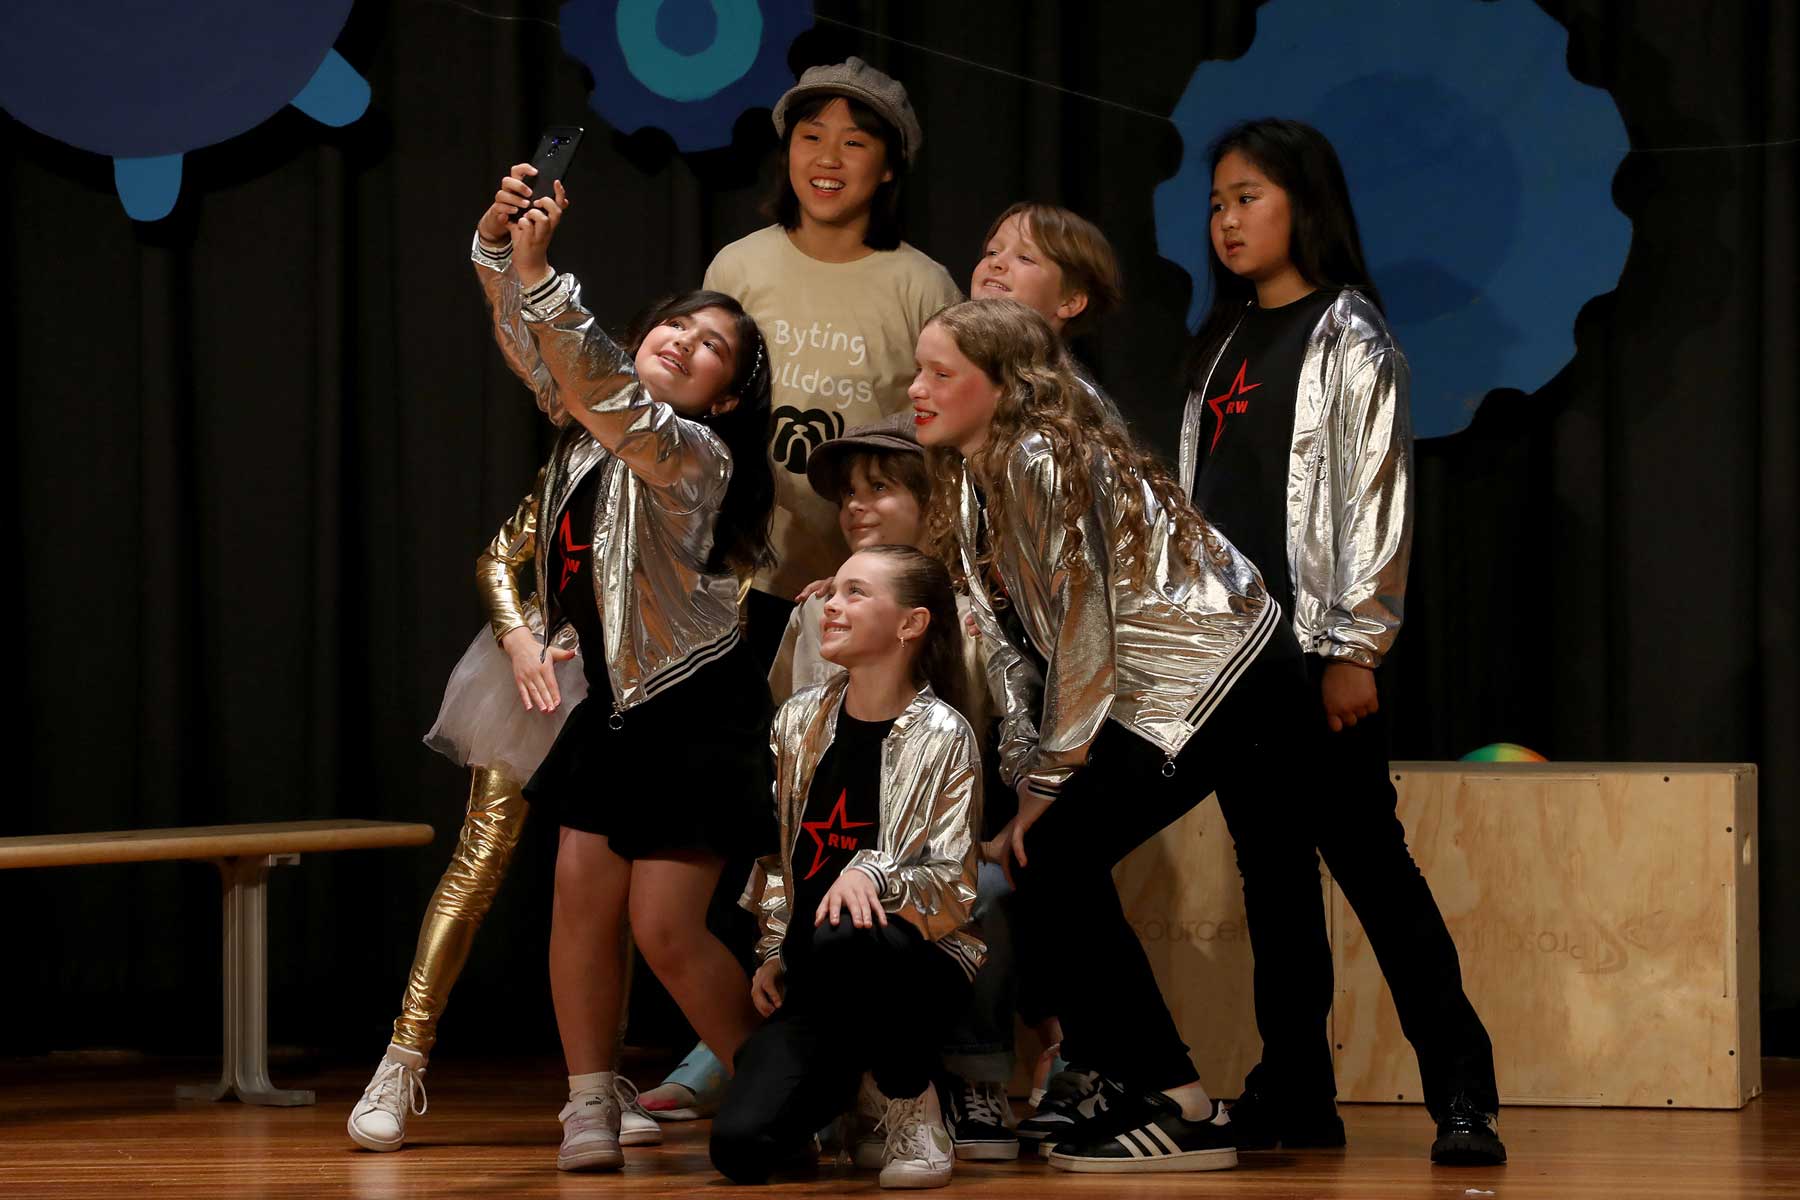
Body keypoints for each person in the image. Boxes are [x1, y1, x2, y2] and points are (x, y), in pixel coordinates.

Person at [914, 298, 1335, 1174]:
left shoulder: (1038, 458)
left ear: (1003, 385)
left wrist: (1050, 783)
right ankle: (1117, 1074)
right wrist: (1031, 766)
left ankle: (1177, 1102)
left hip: (1220, 675)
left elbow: (1082, 623)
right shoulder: (966, 474)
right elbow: (1002, 643)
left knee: (1060, 852)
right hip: (1141, 686)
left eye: (941, 373)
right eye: (918, 370)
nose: (916, 390)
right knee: (1045, 857)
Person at [1175, 117, 1503, 1165]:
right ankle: (1298, 1090)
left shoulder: (1351, 336)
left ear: (1303, 204)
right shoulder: (1221, 339)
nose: (1228, 219)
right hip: (1232, 666)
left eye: (1249, 197)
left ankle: (1462, 1090)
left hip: (1313, 662)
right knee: (1271, 884)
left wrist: (1354, 647)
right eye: (1218, 200)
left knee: (1375, 874)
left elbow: (1372, 499)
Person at [468, 162, 779, 1172]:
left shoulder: (694, 453)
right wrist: (499, 250)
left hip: (694, 706)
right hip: (608, 705)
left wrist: (545, 272)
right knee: (579, 902)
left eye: (709, 348)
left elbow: (601, 383)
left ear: (726, 392)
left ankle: (784, 1088)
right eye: (673, 329)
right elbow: (541, 351)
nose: (682, 344)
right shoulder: (584, 429)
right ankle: (590, 1103)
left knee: (665, 927)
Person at [347, 483, 654, 1152]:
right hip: (545, 667)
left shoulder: (682, 460)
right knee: (480, 859)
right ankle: (400, 1063)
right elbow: (497, 557)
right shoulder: (573, 465)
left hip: (630, 679)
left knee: (611, 881)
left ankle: (602, 1079)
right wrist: (516, 638)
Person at [709, 545, 984, 1190]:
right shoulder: (800, 720)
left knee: (847, 930)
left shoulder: (945, 734)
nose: (831, 604)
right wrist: (775, 948)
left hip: (914, 960)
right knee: (740, 1148)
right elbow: (778, 860)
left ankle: (912, 1102)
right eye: (833, 590)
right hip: (819, 975)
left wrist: (874, 871)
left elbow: (954, 885)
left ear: (911, 624)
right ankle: (854, 1086)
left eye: (856, 593)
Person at [703, 56, 963, 661]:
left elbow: (947, 442)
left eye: (854, 143)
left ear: (890, 165)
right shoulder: (739, 266)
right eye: (811, 138)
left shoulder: (924, 286)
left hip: (868, 589)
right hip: (743, 572)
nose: (828, 159)